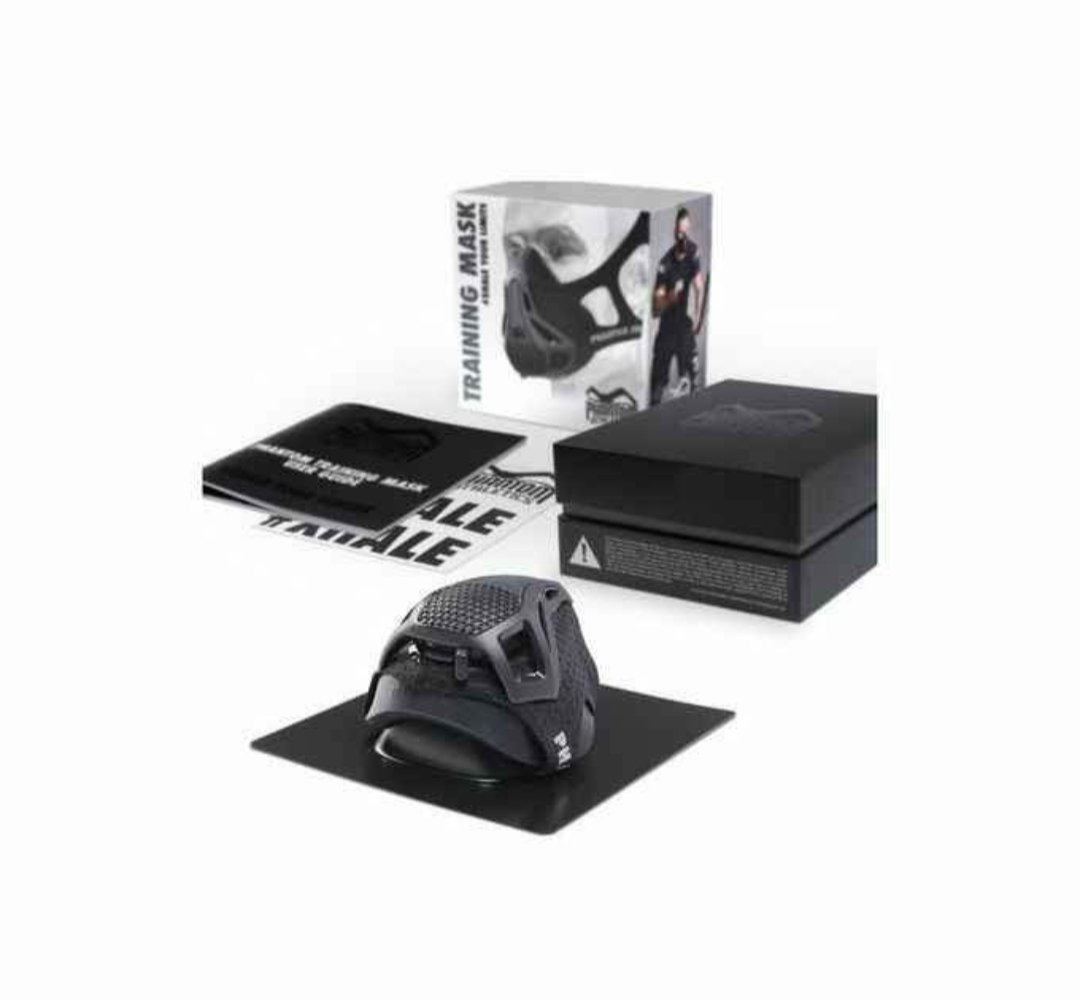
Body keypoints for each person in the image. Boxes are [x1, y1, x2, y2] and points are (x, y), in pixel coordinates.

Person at [650, 207, 705, 405]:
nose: (683, 237)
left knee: (694, 380)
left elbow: (699, 286)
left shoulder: (693, 252)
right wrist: (670, 296)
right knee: (656, 388)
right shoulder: (664, 265)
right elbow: (656, 308)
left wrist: (698, 318)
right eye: (680, 232)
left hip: (684, 327)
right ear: (675, 231)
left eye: (686, 231)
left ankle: (689, 391)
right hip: (666, 328)